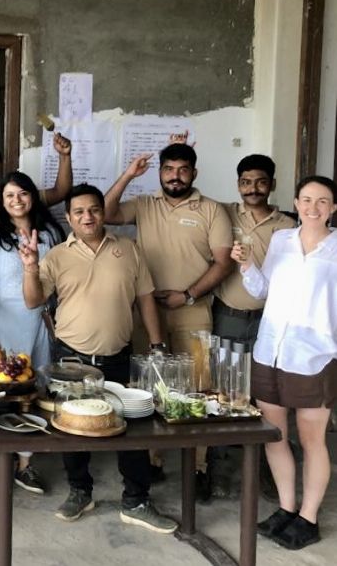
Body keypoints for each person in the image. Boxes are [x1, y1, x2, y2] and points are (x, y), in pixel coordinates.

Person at [20, 184, 176, 533]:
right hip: (71, 360)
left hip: (118, 356)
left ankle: (136, 500)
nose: (87, 217)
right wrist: (30, 266)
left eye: (93, 210)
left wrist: (157, 345)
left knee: (130, 430)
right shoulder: (57, 255)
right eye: (78, 212)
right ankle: (80, 491)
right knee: (72, 428)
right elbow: (32, 301)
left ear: (103, 213)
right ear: (69, 218)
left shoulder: (129, 249)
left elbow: (147, 299)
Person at [103, 143, 234, 498]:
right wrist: (130, 174)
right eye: (168, 169)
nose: (175, 175)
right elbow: (104, 212)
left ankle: (199, 467)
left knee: (199, 390)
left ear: (194, 173)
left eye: (182, 169)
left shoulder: (211, 210)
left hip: (192, 311)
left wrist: (188, 294)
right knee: (148, 388)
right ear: (159, 172)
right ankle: (153, 459)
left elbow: (223, 262)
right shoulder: (145, 205)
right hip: (148, 312)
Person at [232, 175, 337, 550]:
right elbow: (262, 290)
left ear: (333, 208)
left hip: (314, 356)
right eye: (307, 200)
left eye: (322, 201)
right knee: (274, 436)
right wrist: (246, 266)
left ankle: (308, 518)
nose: (313, 208)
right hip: (270, 351)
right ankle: (286, 508)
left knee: (312, 441)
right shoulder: (281, 241)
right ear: (295, 202)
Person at [0, 171, 64, 497]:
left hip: (38, 327)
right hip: (2, 327)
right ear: (2, 200)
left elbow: (55, 283)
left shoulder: (51, 234)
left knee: (34, 395)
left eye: (22, 194)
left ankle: (25, 465)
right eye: (10, 195)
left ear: (32, 197)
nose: (17, 201)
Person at [214, 155, 296, 346]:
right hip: (227, 315)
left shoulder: (288, 226)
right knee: (225, 372)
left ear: (272, 184)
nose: (253, 189)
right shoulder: (223, 213)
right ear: (238, 185)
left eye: (261, 183)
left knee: (263, 374)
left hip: (269, 317)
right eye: (246, 183)